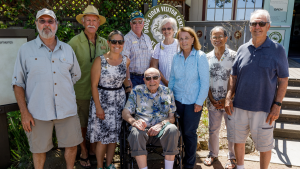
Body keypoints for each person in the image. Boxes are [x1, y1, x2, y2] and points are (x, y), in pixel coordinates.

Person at [12, 8, 82, 169]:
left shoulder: (67, 49)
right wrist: (24, 112)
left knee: (72, 146)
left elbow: (75, 75)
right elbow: (18, 83)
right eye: (42, 21)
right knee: (38, 149)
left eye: (50, 21)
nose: (46, 25)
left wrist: (62, 88)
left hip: (67, 109)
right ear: (36, 24)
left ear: (56, 24)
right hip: (38, 111)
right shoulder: (25, 50)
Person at [225, 9, 289, 169]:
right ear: (249, 26)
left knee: (264, 146)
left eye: (261, 23)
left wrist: (278, 104)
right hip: (239, 107)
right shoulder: (242, 49)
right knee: (238, 141)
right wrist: (228, 97)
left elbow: (283, 80)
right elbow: (233, 76)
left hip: (264, 109)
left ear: (268, 26)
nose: (257, 27)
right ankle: (240, 167)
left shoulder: (278, 50)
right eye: (254, 23)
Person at [68, 5, 109, 168]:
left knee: (98, 122)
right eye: (88, 20)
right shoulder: (73, 43)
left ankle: (93, 149)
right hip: (82, 90)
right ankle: (84, 151)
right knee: (82, 124)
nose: (91, 23)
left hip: (101, 92)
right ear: (83, 22)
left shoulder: (104, 42)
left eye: (94, 20)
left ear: (98, 23)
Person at [86, 30, 130, 169]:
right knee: (103, 138)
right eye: (114, 41)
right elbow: (93, 85)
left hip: (119, 102)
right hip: (103, 101)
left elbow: (125, 81)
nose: (117, 44)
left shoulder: (126, 60)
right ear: (108, 43)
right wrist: (98, 107)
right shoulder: (100, 60)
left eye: (120, 42)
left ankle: (109, 164)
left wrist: (130, 92)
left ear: (123, 43)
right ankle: (100, 166)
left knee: (114, 137)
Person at [122, 67, 180, 169]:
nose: (152, 81)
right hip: (143, 131)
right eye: (148, 78)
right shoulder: (137, 91)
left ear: (160, 79)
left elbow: (172, 118)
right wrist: (134, 122)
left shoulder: (167, 92)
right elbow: (125, 112)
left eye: (155, 77)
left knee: (173, 129)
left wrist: (161, 124)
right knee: (135, 132)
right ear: (144, 80)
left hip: (162, 131)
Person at [168, 27, 209, 169]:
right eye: (181, 38)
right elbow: (172, 79)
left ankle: (189, 163)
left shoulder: (200, 56)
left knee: (189, 133)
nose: (184, 41)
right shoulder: (176, 57)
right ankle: (176, 159)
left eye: (187, 38)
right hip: (177, 101)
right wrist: (170, 101)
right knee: (175, 133)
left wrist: (199, 102)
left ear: (193, 39)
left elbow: (205, 82)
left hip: (193, 103)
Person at [204, 26, 236, 169]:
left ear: (226, 38)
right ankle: (212, 154)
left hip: (231, 101)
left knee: (232, 130)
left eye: (220, 36)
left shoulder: (234, 56)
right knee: (213, 129)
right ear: (210, 39)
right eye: (214, 37)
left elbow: (236, 79)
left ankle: (232, 157)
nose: (217, 39)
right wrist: (211, 99)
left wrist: (228, 98)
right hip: (213, 101)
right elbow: (205, 80)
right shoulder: (206, 57)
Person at [122, 11, 153, 88]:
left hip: (147, 77)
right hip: (133, 78)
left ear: (143, 23)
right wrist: (128, 79)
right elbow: (125, 61)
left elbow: (151, 57)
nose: (137, 24)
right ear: (130, 24)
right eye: (134, 22)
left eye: (140, 22)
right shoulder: (127, 39)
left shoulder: (147, 38)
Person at [150, 17, 179, 86]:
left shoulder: (180, 45)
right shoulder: (158, 46)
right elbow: (154, 67)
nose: (166, 31)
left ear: (174, 30)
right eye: (164, 29)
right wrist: (165, 82)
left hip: (178, 85)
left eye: (169, 28)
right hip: (162, 85)